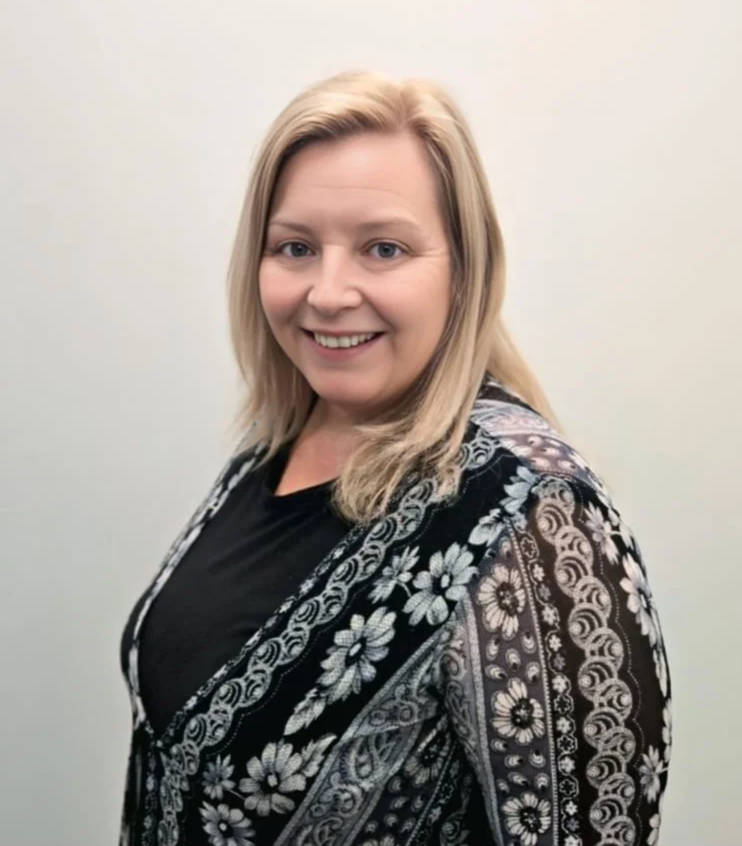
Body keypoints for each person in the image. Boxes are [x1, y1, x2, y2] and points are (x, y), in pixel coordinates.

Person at [119, 70, 671, 846]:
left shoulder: (528, 508)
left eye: (384, 248)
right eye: (295, 248)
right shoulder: (276, 447)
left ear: (464, 271)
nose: (328, 291)